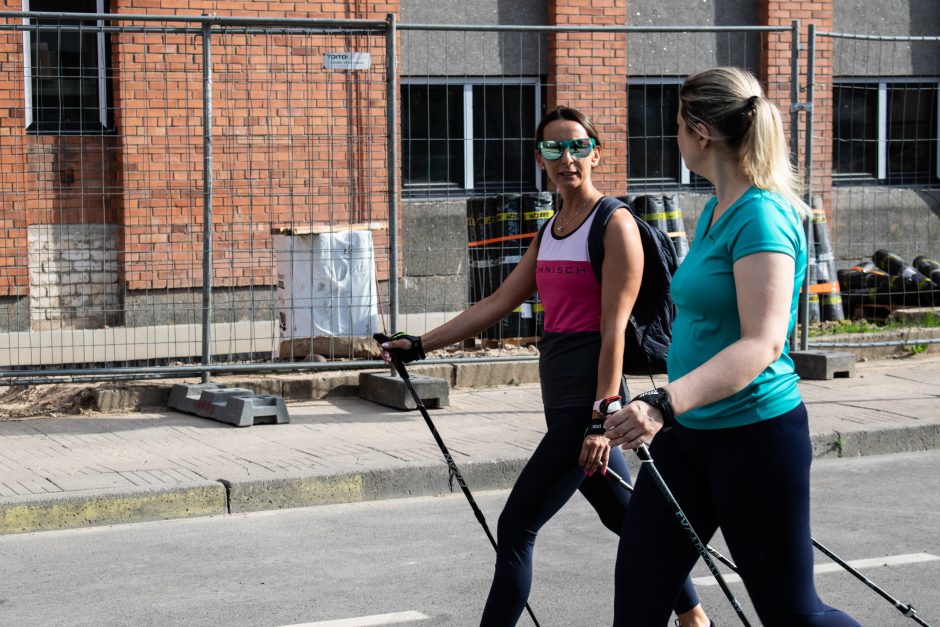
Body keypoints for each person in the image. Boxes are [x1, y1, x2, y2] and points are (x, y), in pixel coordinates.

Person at [377, 106, 710, 626]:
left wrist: (602, 419)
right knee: (626, 516)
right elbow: (497, 303)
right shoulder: (553, 229)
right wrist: (418, 345)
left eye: (577, 147)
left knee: (515, 529)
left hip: (587, 404)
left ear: (596, 153)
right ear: (540, 159)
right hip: (562, 399)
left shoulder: (614, 224)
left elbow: (612, 330)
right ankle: (693, 616)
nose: (566, 158)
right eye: (554, 149)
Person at [604, 67, 862, 626]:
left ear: (701, 132)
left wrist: (661, 403)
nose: (673, 137)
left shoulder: (762, 215)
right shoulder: (720, 206)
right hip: (688, 439)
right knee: (640, 595)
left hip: (756, 439)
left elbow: (763, 342)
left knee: (794, 616)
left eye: (676, 125)